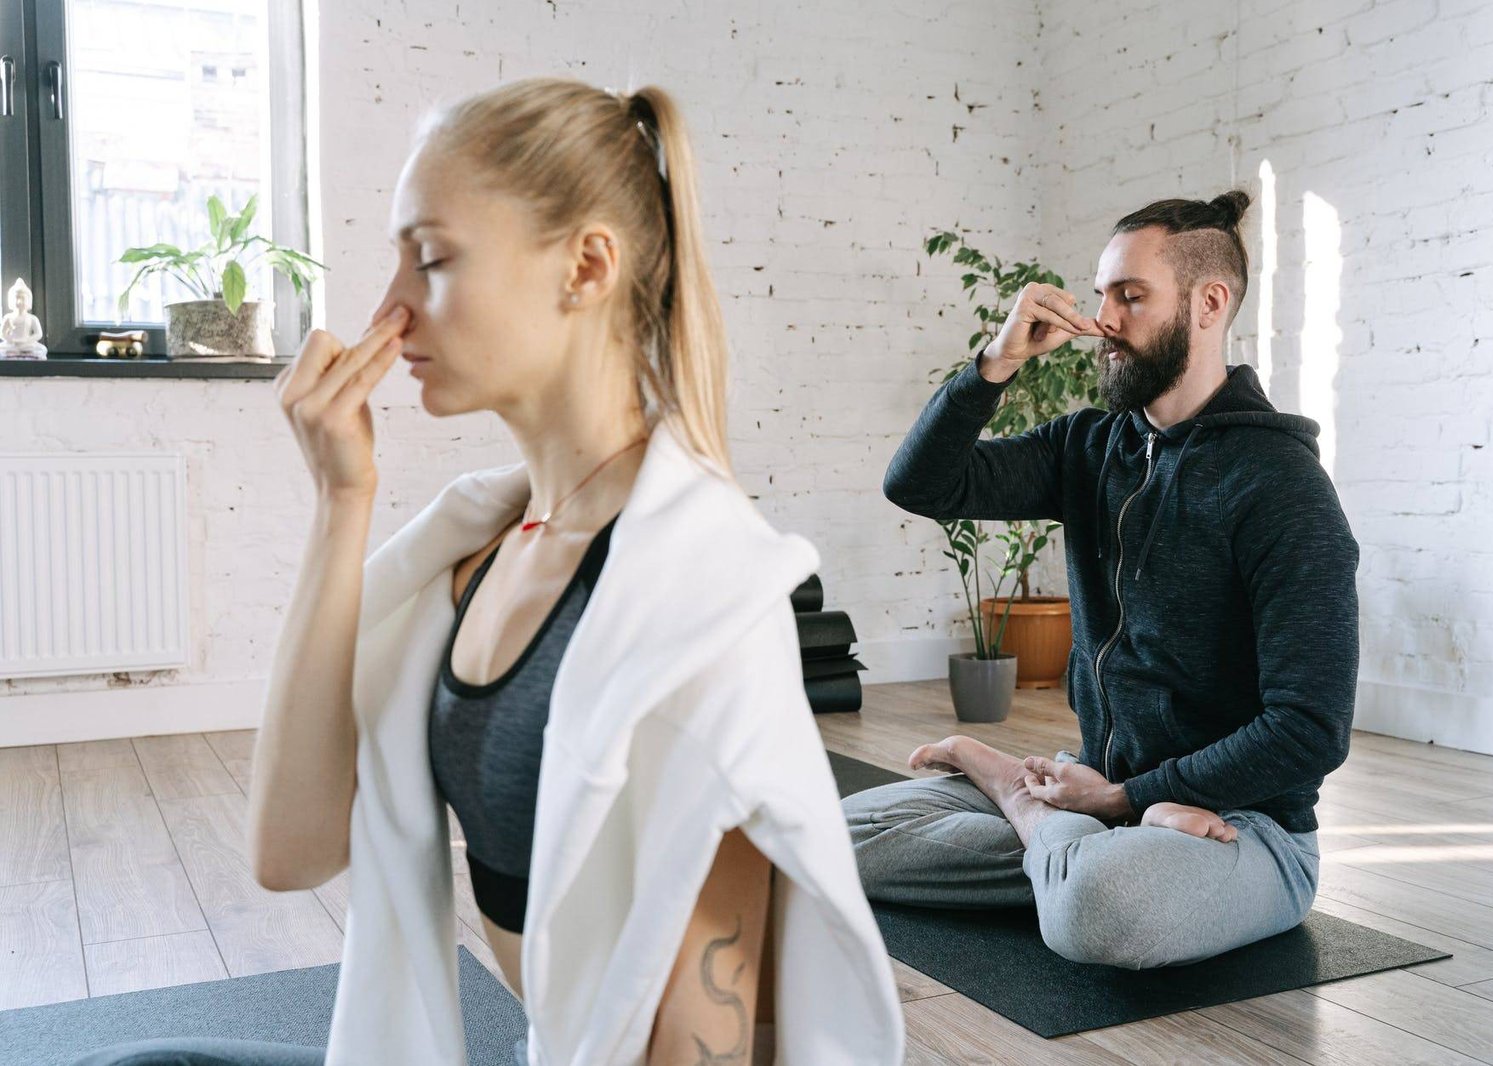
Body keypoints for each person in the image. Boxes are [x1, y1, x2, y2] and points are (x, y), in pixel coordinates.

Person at [74, 78, 902, 1066]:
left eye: (431, 258)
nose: (388, 309)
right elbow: (290, 850)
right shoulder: (481, 544)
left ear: (585, 266)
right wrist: (344, 500)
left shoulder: (699, 605)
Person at [842, 190, 1360, 970]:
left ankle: (1029, 810)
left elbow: (1309, 729)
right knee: (835, 838)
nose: (1102, 320)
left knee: (1098, 908)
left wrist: (1125, 799)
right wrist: (998, 363)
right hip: (1097, 795)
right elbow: (921, 483)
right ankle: (1062, 841)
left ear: (1209, 303)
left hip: (1243, 831)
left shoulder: (1282, 487)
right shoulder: (1088, 447)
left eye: (1131, 296)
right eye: (1100, 295)